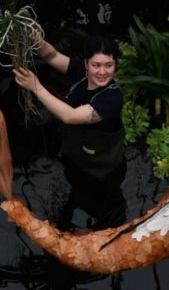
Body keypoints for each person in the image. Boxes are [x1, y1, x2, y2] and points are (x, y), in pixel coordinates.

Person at [13, 36, 127, 231]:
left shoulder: (112, 98)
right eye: (96, 65)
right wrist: (34, 39)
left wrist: (36, 87)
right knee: (76, 193)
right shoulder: (81, 74)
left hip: (102, 170)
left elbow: (70, 116)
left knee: (104, 210)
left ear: (115, 65)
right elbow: (51, 55)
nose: (102, 72)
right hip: (78, 156)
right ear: (86, 63)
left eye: (109, 65)